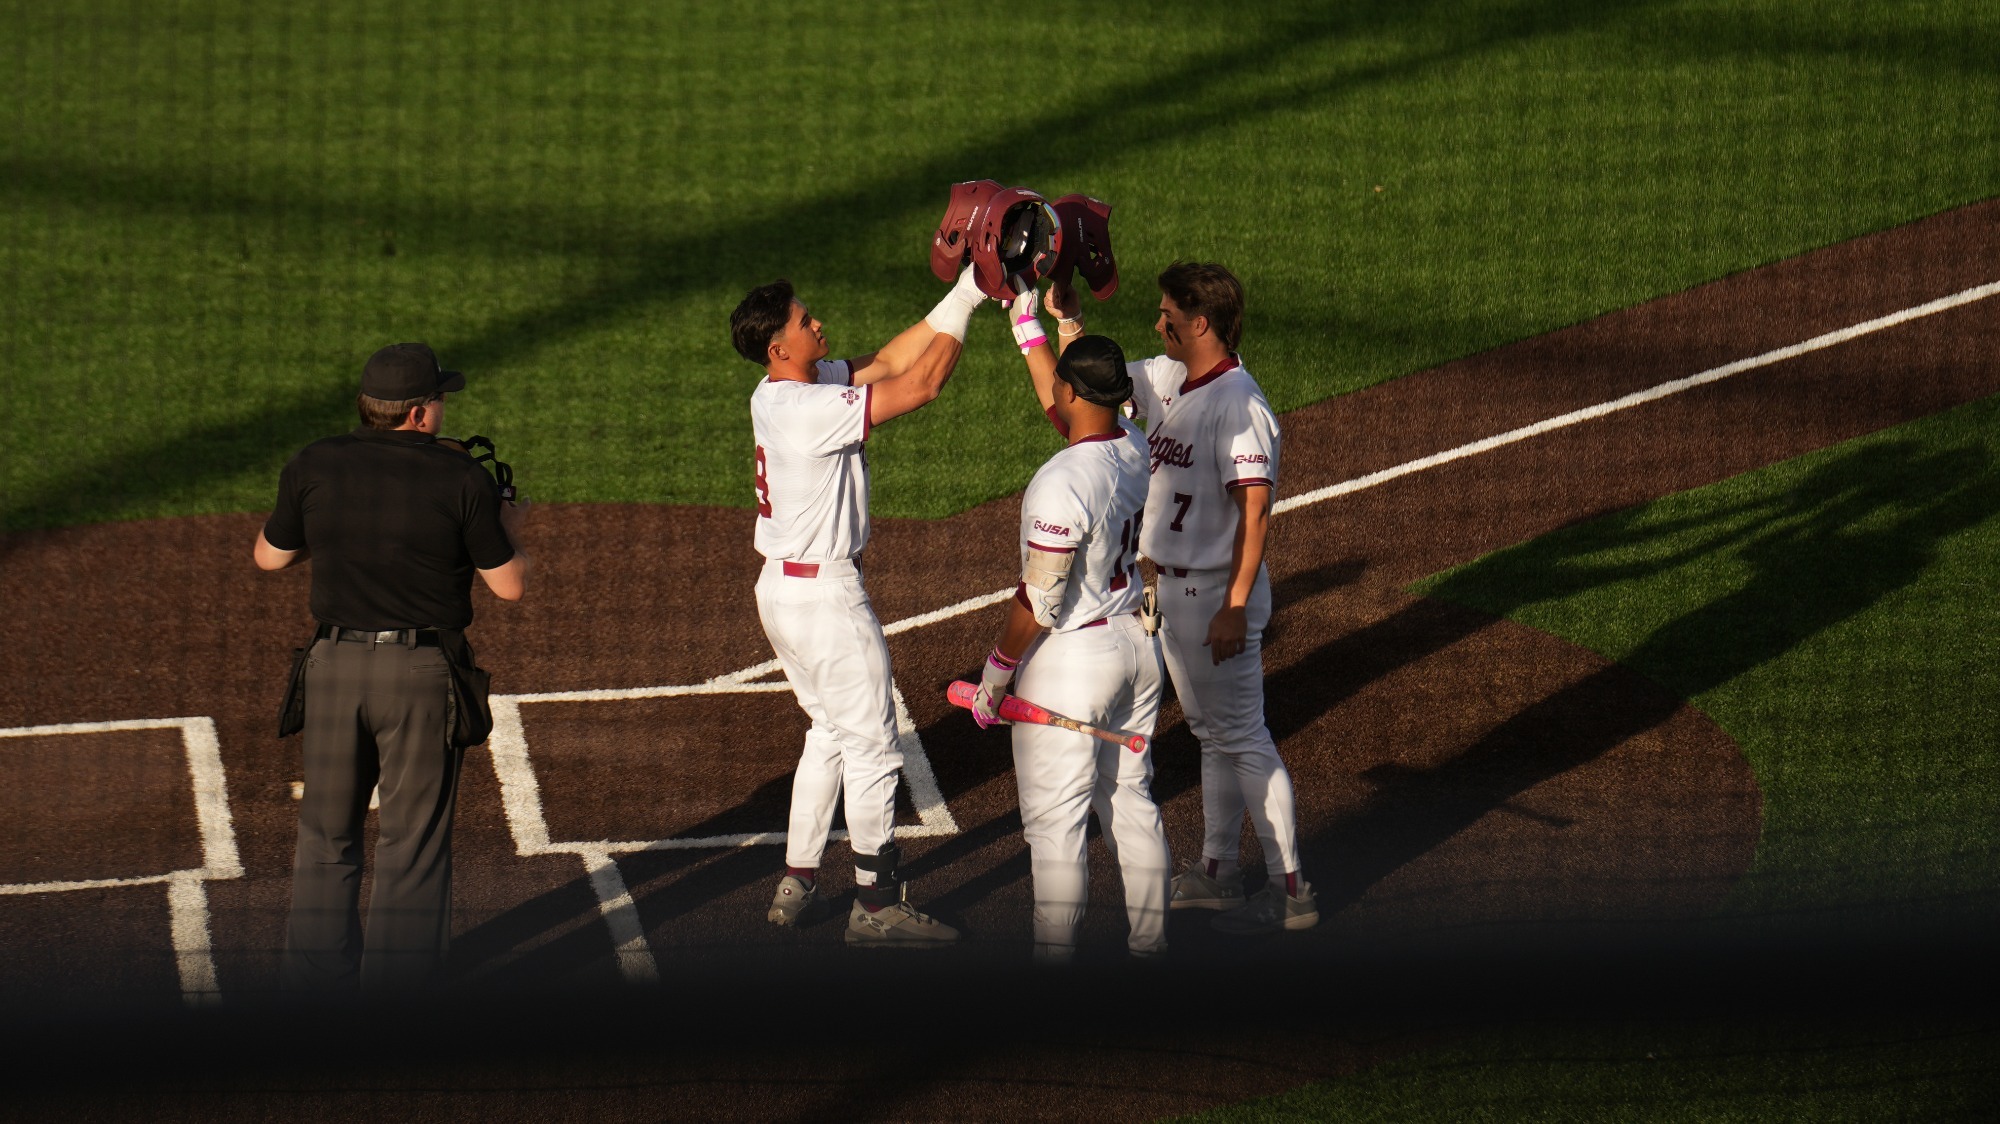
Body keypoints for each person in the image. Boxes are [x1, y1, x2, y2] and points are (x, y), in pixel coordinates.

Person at [1047, 262, 1317, 935]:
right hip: (1171, 592)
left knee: (1243, 736)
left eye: (1168, 312)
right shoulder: (1172, 379)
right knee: (1215, 735)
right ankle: (1219, 873)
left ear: (1200, 322)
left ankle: (1294, 893)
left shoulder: (1241, 406)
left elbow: (1255, 512)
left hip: (1210, 596)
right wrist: (1066, 321)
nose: (1157, 322)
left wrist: (1235, 603)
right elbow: (1092, 392)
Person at [254, 342, 530, 990]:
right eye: (439, 398)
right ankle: (395, 1004)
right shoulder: (461, 479)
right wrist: (510, 521)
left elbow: (270, 557)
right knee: (411, 844)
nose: (442, 407)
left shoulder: (314, 463)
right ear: (416, 414)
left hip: (330, 671)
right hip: (419, 680)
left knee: (325, 836)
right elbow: (509, 584)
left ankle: (315, 994)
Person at [730, 266, 987, 946]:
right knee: (873, 745)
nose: (817, 323)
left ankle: (799, 875)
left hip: (782, 592)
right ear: (776, 347)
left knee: (827, 731)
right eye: (803, 321)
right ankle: (875, 906)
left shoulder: (791, 388)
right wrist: (986, 298)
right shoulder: (804, 408)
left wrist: (967, 293)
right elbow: (922, 384)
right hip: (824, 600)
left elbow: (893, 358)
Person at [968, 291, 1171, 964]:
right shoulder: (1133, 442)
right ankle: (1152, 951)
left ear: (1077, 392)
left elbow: (1042, 597)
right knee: (1131, 801)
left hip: (1074, 662)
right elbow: (1066, 411)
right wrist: (1030, 327)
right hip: (1138, 651)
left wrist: (995, 677)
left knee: (1056, 830)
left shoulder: (1059, 483)